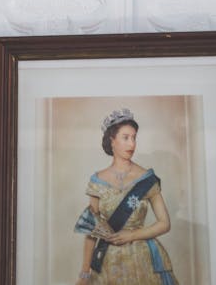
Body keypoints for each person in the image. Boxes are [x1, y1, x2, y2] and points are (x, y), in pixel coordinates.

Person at [73, 107, 180, 284]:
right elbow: (91, 231)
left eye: (134, 138)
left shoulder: (146, 178)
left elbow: (164, 223)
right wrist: (84, 273)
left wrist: (131, 235)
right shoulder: (97, 180)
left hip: (143, 259)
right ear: (112, 140)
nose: (132, 144)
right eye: (125, 138)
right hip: (108, 262)